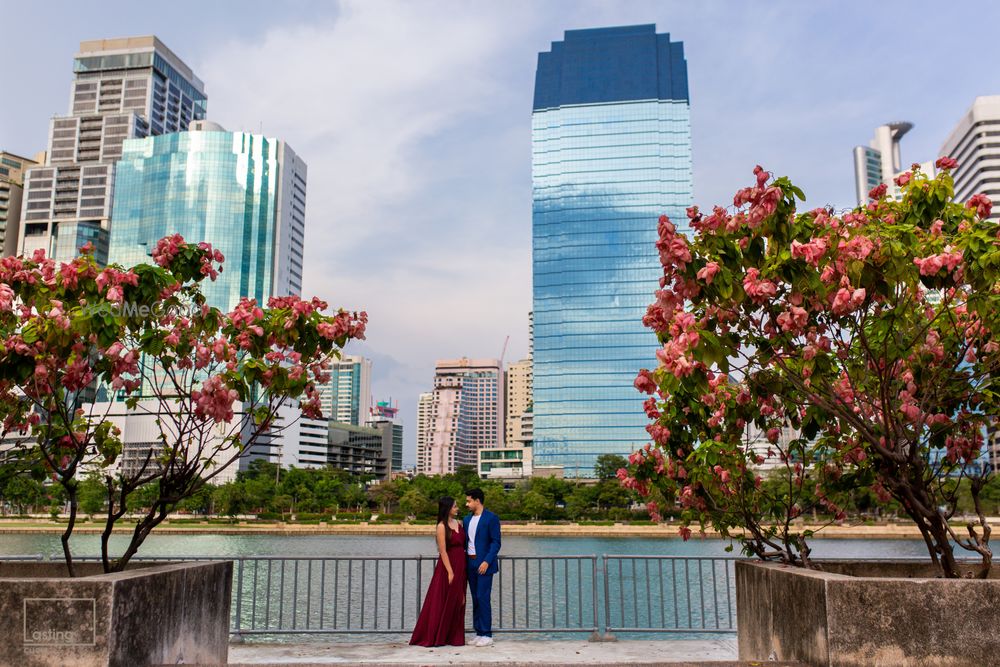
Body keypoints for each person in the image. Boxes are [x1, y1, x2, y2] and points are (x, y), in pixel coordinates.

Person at [409, 496, 467, 647]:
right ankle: (438, 635)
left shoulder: (459, 523)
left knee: (459, 601)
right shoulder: (441, 526)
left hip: (461, 565)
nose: (457, 508)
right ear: (447, 508)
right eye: (455, 506)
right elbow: (443, 551)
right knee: (443, 599)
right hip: (448, 566)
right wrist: (450, 572)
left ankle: (453, 636)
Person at [464, 487, 501, 647]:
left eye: (469, 500)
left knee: (483, 597)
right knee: (475, 598)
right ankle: (479, 632)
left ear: (477, 501)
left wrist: (486, 561)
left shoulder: (491, 518)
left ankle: (487, 634)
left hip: (484, 564)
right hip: (470, 563)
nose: (467, 504)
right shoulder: (466, 519)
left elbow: (496, 542)